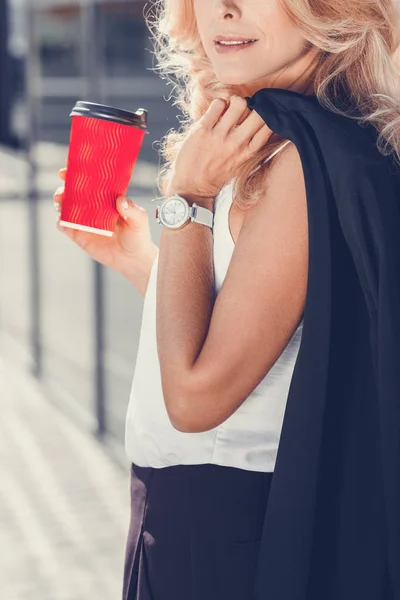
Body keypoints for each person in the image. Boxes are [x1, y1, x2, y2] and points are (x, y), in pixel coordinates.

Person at [53, 0, 400, 599]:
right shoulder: (270, 137)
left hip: (230, 537)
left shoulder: (299, 158)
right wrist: (141, 260)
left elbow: (195, 400)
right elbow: (249, 325)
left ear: (328, 11)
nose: (226, 10)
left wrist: (189, 197)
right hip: (179, 518)